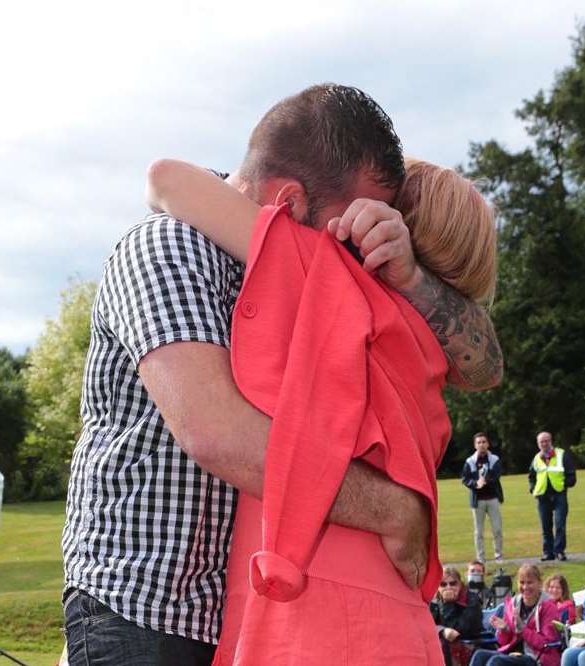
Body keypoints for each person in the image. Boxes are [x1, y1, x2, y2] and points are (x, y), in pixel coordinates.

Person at [61, 84, 503, 666]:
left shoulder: (335, 290)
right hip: (148, 609)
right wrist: (395, 509)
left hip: (237, 614)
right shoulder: (172, 247)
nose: (360, 245)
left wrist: (411, 277)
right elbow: (219, 433)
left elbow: (484, 363)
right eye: (352, 225)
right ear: (291, 206)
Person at [147, 154, 498, 664]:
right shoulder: (429, 343)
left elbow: (165, 178)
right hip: (390, 615)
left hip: (317, 616)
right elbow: (488, 366)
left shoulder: (334, 281)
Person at [469, 564, 562, 666]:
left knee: (496, 661)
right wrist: (504, 630)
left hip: (536, 657)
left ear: (539, 583)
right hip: (512, 653)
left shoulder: (548, 607)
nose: (525, 587)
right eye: (522, 582)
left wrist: (523, 630)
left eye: (530, 582)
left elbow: (547, 645)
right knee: (480, 655)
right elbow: (503, 642)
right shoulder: (513, 604)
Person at [529, 432, 576, 561]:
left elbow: (571, 474)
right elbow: (532, 476)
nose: (544, 444)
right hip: (542, 495)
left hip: (559, 494)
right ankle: (548, 552)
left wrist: (564, 485)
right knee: (546, 525)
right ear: (538, 444)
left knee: (560, 524)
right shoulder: (536, 458)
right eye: (541, 442)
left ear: (551, 441)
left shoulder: (562, 454)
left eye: (547, 441)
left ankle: (559, 551)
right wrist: (533, 489)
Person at [462, 432, 505, 563]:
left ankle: (498, 555)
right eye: (479, 442)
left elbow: (497, 474)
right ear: (475, 445)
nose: (481, 444)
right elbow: (465, 479)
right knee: (478, 532)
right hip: (478, 501)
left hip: (492, 499)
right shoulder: (470, 461)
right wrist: (475, 484)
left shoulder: (494, 459)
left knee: (497, 529)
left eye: (484, 442)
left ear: (488, 444)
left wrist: (485, 480)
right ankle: (481, 558)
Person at [431, 566, 485, 666]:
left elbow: (459, 630)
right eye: (443, 584)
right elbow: (426, 626)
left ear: (460, 584)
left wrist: (448, 604)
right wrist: (442, 631)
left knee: (443, 644)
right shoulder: (434, 601)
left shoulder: (472, 601)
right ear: (438, 587)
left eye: (453, 583)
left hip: (471, 644)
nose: (448, 587)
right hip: (445, 646)